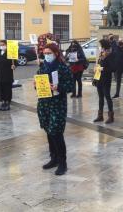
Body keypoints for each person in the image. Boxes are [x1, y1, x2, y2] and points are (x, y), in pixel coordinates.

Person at [36, 43, 73, 176]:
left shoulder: (63, 68)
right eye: (44, 54)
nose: (46, 56)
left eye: (49, 53)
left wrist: (58, 88)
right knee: (49, 132)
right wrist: (36, 84)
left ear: (56, 53)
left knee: (56, 133)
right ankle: (54, 158)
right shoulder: (43, 66)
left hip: (57, 105)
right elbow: (39, 82)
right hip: (44, 104)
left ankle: (63, 162)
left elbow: (70, 86)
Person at [94, 39, 116, 124]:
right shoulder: (101, 54)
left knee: (107, 97)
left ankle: (111, 116)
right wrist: (96, 67)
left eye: (101, 46)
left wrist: (103, 68)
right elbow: (99, 63)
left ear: (104, 46)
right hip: (99, 78)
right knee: (100, 97)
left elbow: (113, 68)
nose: (100, 48)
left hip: (106, 79)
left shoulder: (111, 55)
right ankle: (100, 116)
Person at [0, 40, 16, 111]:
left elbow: (15, 62)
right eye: (0, 45)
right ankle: (3, 102)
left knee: (7, 89)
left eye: (3, 45)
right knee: (1, 89)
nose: (2, 46)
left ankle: (7, 103)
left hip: (7, 75)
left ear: (7, 45)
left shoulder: (10, 53)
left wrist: (14, 66)